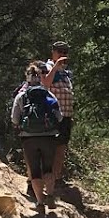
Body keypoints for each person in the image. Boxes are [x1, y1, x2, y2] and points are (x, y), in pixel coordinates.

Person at [11, 61, 62, 213]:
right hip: (49, 137)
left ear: (27, 77)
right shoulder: (48, 94)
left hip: (28, 138)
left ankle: (40, 203)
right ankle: (50, 195)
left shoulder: (21, 96)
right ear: (39, 77)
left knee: (34, 170)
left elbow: (14, 119)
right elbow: (59, 117)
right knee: (48, 168)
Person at [41, 41, 74, 184]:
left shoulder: (66, 72)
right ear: (53, 52)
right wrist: (55, 67)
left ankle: (57, 178)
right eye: (59, 51)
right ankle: (44, 179)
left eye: (65, 52)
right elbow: (45, 85)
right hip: (52, 115)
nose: (62, 55)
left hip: (66, 116)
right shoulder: (46, 67)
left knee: (61, 148)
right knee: (49, 148)